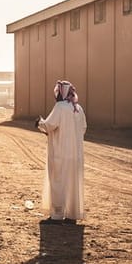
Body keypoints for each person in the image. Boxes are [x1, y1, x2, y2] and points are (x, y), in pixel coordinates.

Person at [35, 80, 87, 224]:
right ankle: (72, 215)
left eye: (57, 92)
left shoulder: (60, 107)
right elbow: (83, 128)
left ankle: (57, 215)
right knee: (72, 183)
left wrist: (39, 122)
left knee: (58, 182)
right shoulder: (78, 109)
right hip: (75, 155)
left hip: (60, 153)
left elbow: (49, 125)